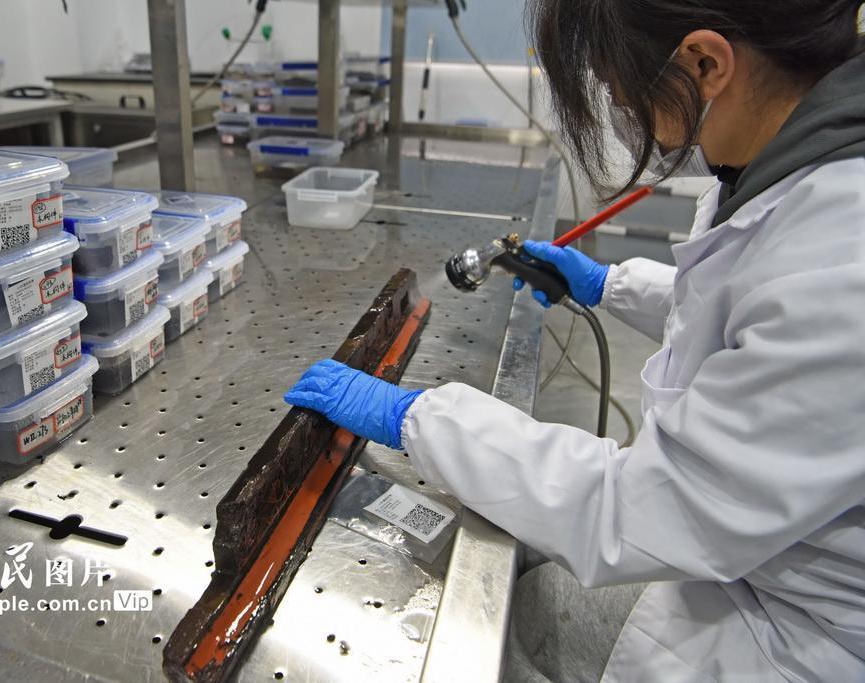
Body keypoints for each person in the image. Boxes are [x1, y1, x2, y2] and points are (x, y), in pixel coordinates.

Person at [286, 1, 865, 680]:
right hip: (753, 552)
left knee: (517, 623)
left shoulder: (838, 261)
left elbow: (637, 511)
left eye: (620, 93)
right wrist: (608, 285)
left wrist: (417, 416)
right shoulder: (793, 168)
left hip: (800, 631)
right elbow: (743, 317)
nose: (623, 114)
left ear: (706, 63)